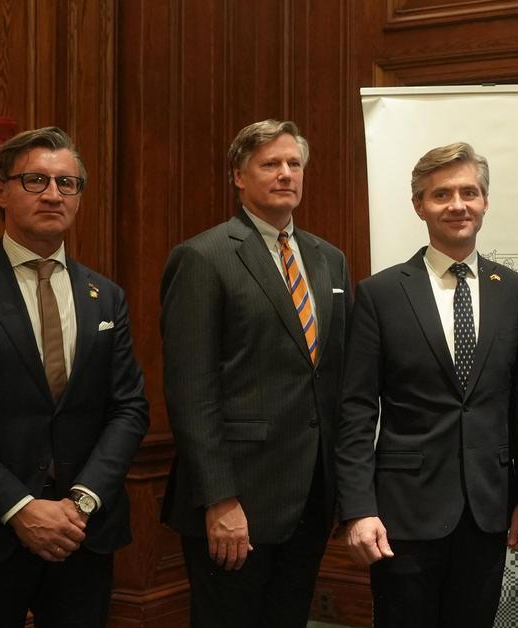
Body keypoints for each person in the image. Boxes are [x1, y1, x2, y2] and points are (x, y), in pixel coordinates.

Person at [160, 119, 351, 627]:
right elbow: (190, 390)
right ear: (239, 177)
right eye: (270, 164)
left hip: (310, 497)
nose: (286, 173)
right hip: (236, 501)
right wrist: (220, 500)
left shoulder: (329, 260)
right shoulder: (204, 257)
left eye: (294, 164)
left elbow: (333, 380)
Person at [335, 142, 518, 628]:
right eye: (441, 194)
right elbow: (356, 409)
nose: (458, 205)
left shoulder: (516, 291)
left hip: (488, 511)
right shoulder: (380, 293)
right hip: (402, 514)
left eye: (470, 192)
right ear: (419, 205)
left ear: (486, 201)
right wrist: (358, 508)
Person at [0, 127, 150, 625]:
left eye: (67, 183)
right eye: (35, 180)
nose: (53, 194)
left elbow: (129, 407)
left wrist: (82, 500)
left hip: (83, 534)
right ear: (0, 190)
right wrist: (19, 507)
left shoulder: (105, 295)